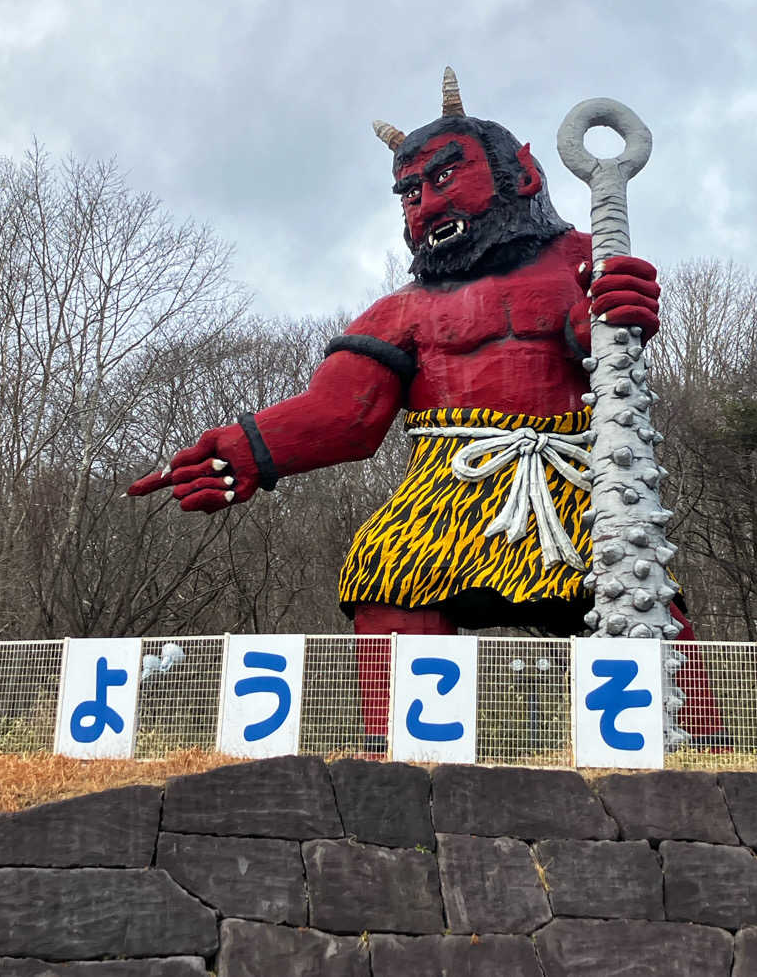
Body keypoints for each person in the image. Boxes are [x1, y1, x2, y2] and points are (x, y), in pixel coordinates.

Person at [129, 68, 725, 749]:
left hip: (581, 485)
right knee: (386, 568)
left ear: (522, 175)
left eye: (444, 179)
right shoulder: (400, 311)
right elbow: (345, 415)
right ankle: (414, 773)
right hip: (447, 491)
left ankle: (694, 755)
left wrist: (621, 306)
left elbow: (602, 340)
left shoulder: (581, 261)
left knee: (644, 594)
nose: (425, 207)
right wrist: (244, 451)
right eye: (410, 193)